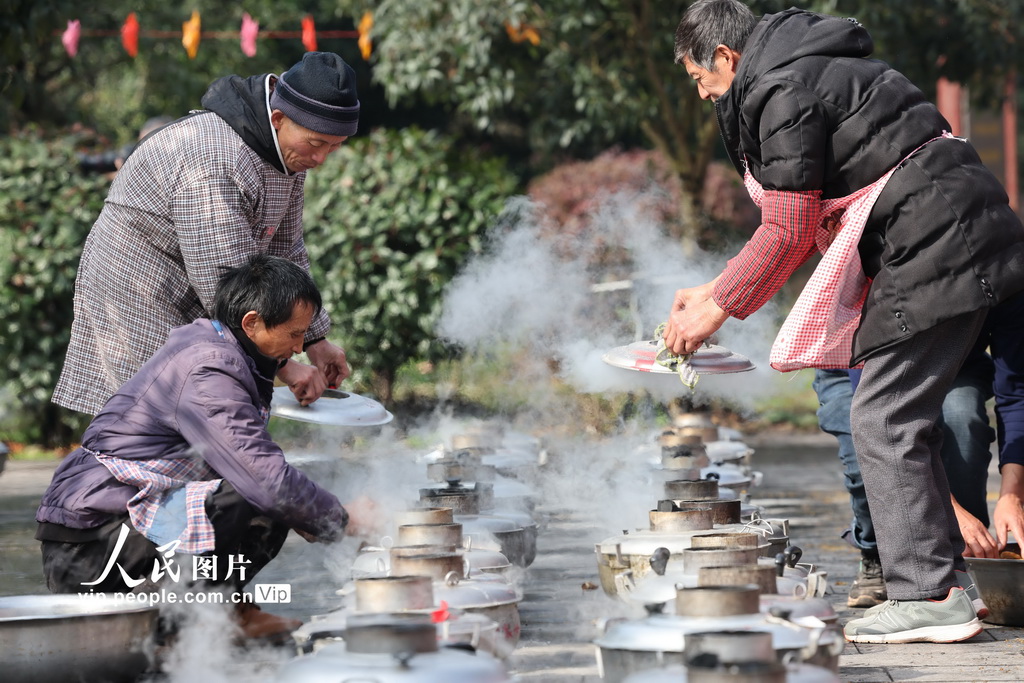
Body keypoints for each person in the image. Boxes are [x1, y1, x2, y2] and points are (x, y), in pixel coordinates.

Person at [666, 0, 1024, 644]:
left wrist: (719, 309)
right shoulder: (809, 65)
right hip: (960, 227)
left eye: (699, 78)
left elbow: (789, 228)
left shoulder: (780, 89)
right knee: (900, 415)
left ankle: (926, 594)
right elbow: (799, 216)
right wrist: (714, 287)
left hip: (936, 238)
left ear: (724, 55)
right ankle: (942, 583)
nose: (701, 94)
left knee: (882, 418)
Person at [36, 254, 374, 639]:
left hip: (112, 530)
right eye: (294, 334)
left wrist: (311, 514)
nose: (299, 348)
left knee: (276, 503)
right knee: (255, 497)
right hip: (89, 549)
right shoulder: (209, 369)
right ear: (252, 323)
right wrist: (342, 519)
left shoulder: (226, 350)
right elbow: (263, 478)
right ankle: (162, 631)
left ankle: (220, 615)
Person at [54, 52, 358, 416]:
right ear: (278, 119)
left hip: (209, 291)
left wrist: (314, 338)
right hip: (141, 291)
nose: (321, 159)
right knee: (152, 418)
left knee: (206, 416)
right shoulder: (216, 158)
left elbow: (286, 252)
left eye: (334, 146)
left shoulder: (289, 150)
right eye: (316, 144)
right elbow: (225, 280)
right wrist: (283, 364)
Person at [818, 290, 1024, 608]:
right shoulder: (895, 277)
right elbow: (885, 428)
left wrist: (1012, 496)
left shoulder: (1006, 281)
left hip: (956, 363)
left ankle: (963, 560)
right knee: (868, 463)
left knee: (964, 424)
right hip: (859, 367)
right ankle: (876, 552)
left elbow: (1015, 393)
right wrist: (949, 512)